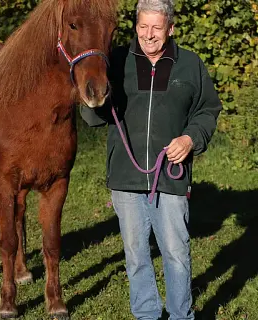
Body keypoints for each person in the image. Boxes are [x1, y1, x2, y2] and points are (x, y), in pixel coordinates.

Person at [80, 0, 222, 319]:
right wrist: (88, 99)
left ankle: (180, 315)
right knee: (136, 255)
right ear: (136, 26)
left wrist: (190, 139)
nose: (149, 34)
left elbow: (207, 110)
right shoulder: (115, 62)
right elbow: (94, 117)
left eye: (157, 27)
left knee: (175, 252)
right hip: (125, 176)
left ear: (170, 28)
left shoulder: (189, 64)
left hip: (170, 176)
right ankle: (146, 314)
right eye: (143, 26)